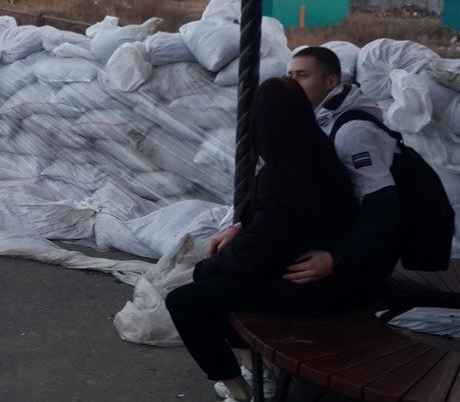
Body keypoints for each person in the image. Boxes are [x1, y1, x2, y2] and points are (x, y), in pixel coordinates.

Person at [166, 77, 361, 402]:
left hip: (301, 288)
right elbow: (267, 223)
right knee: (213, 281)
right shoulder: (319, 153)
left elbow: (261, 250)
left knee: (184, 301)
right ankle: (257, 369)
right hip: (309, 275)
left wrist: (214, 263)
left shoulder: (283, 173)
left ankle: (241, 391)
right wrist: (236, 229)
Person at [283, 46, 400, 289]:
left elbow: (380, 204)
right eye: (290, 75)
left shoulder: (351, 132)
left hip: (357, 261)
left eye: (303, 75)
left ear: (331, 81)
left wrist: (338, 258)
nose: (293, 83)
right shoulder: (317, 122)